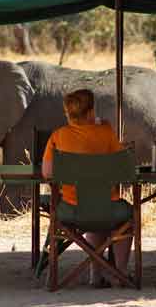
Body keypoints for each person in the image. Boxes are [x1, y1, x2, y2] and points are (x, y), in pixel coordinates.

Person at [42, 89, 132, 288]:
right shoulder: (106, 132)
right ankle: (119, 274)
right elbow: (125, 170)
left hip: (70, 211)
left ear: (68, 113)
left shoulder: (58, 136)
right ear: (92, 112)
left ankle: (95, 273)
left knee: (93, 215)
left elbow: (47, 173)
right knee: (127, 217)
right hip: (109, 208)